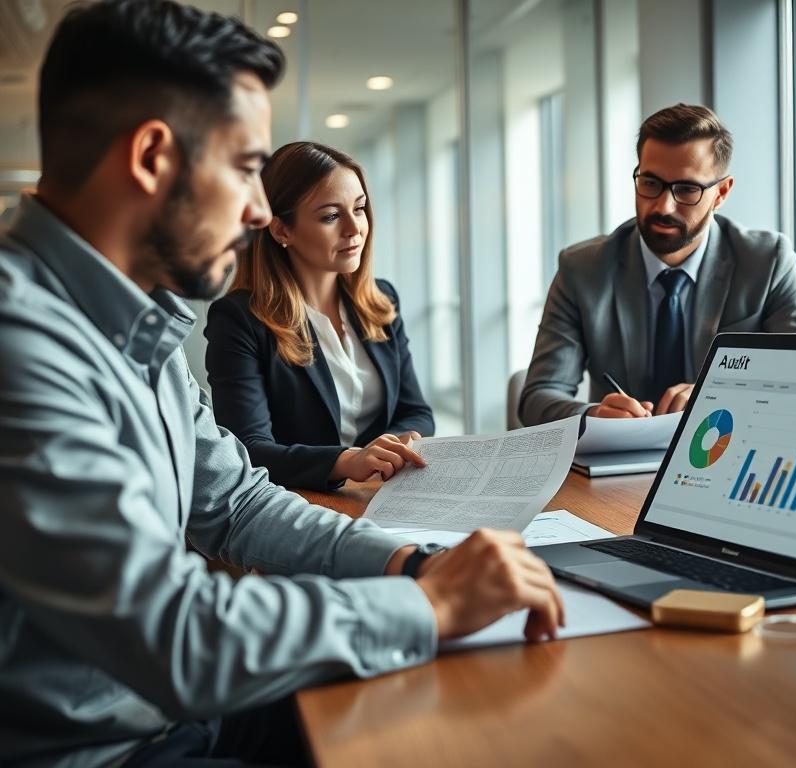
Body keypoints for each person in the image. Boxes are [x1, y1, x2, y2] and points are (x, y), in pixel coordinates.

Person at [0, 2, 563, 766]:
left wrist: (410, 566)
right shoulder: (20, 341)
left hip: (178, 716)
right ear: (151, 158)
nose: (261, 210)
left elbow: (234, 504)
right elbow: (176, 634)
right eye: (243, 169)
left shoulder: (142, 320)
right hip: (102, 750)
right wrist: (427, 606)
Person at [519, 104, 796, 426]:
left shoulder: (766, 261)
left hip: (726, 451)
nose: (664, 206)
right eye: (650, 183)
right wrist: (594, 415)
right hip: (619, 466)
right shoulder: (581, 269)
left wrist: (721, 393)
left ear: (721, 193)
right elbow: (538, 396)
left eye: (687, 189)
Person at [204, 142, 434, 491]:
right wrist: (347, 460)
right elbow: (246, 449)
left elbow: (417, 412)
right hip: (298, 505)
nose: (354, 228)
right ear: (281, 230)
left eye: (359, 209)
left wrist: (386, 451)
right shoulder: (238, 320)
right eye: (330, 216)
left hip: (380, 493)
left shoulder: (381, 300)